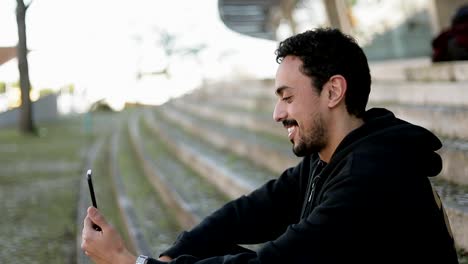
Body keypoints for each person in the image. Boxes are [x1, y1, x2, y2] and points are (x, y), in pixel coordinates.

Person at [81, 28, 459, 263]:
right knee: (210, 248)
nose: (278, 113)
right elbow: (250, 212)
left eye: (288, 97)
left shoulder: (372, 176)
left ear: (333, 91)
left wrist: (127, 262)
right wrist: (172, 256)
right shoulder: (328, 158)